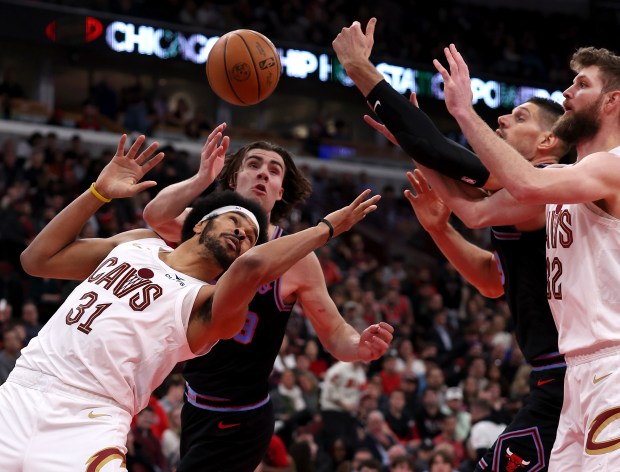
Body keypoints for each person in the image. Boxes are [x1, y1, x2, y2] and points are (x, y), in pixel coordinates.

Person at [0, 133, 380, 472]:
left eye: (249, 235)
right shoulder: (140, 243)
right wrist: (98, 192)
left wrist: (325, 230)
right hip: (27, 387)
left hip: (111, 414)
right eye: (253, 164)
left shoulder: (207, 297)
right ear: (198, 223)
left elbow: (253, 270)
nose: (240, 233)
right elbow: (37, 260)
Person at [332, 18, 570, 471]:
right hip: (556, 377)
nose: (501, 118)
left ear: (548, 141)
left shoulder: (546, 182)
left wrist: (362, 70)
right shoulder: (524, 199)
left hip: (572, 375)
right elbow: (493, 280)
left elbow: (454, 175)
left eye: (519, 117)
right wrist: (439, 225)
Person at [142, 123, 395, 472]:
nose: (263, 173)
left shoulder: (298, 258)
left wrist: (359, 345)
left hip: (240, 417)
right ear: (234, 179)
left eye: (274, 170)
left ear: (280, 192)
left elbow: (335, 331)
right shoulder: (207, 230)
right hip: (196, 403)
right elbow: (156, 215)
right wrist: (202, 177)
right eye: (253, 164)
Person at [434, 44, 620, 471]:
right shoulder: (563, 179)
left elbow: (522, 185)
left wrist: (463, 112)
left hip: (611, 363)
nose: (567, 91)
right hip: (575, 373)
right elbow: (476, 210)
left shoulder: (611, 168)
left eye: (582, 83)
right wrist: (411, 141)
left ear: (612, 101)